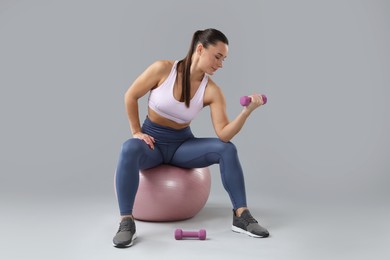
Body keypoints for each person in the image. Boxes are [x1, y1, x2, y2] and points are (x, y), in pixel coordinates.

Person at [113, 28, 269, 248]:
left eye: (224, 59)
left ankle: (241, 216)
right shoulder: (162, 69)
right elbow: (131, 95)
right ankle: (126, 221)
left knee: (228, 149)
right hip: (153, 144)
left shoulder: (212, 91)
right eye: (217, 56)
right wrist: (136, 131)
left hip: (181, 146)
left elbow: (223, 133)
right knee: (129, 148)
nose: (220, 64)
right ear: (199, 48)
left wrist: (246, 112)